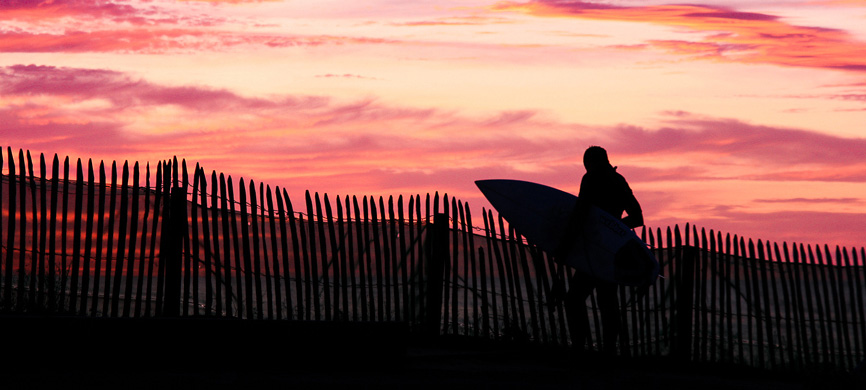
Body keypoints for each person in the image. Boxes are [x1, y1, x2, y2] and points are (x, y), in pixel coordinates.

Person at [564, 146, 644, 355]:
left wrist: (566, 246)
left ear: (591, 163)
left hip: (596, 250)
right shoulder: (619, 181)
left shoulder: (590, 179)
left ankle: (581, 349)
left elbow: (579, 215)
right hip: (610, 250)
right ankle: (606, 353)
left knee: (575, 299)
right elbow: (636, 217)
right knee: (607, 302)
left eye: (587, 164)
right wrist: (615, 228)